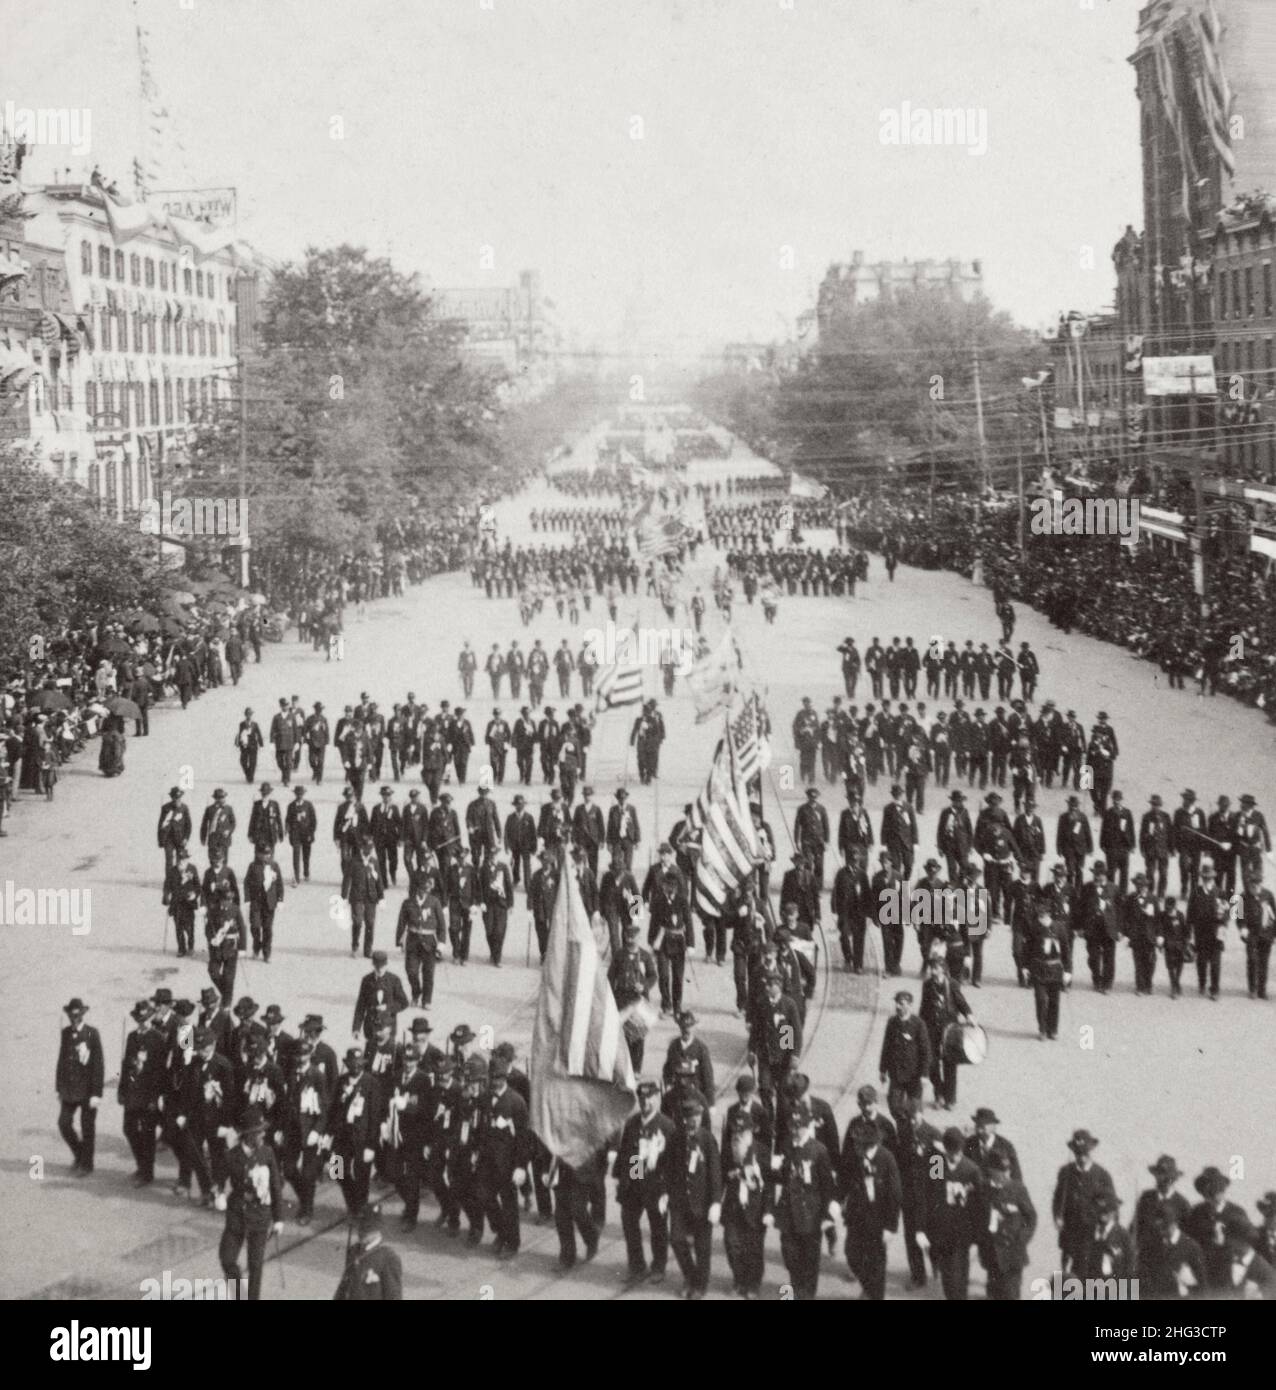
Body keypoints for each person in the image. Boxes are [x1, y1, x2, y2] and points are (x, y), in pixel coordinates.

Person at [765, 1101, 839, 1301]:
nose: (796, 1130)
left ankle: (804, 1294)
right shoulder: (786, 1145)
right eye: (792, 1126)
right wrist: (775, 1168)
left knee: (810, 1259)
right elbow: (780, 1177)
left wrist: (827, 1214)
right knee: (789, 1255)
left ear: (808, 1126)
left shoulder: (819, 1150)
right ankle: (797, 1289)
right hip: (788, 1212)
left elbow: (826, 1186)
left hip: (810, 1214)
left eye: (800, 1126)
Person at [217, 1105, 283, 1301]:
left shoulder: (267, 1153)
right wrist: (219, 1194)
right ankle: (239, 1296)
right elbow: (219, 1178)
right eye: (258, 1132)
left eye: (263, 1131)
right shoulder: (231, 1156)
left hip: (260, 1216)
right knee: (227, 1258)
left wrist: (278, 1218)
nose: (262, 1135)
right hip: (237, 1215)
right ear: (247, 1135)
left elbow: (275, 1186)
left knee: (255, 1266)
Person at [614, 1079, 676, 1287]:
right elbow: (627, 1153)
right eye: (641, 1099)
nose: (645, 1103)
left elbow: (671, 1163)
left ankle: (659, 1267)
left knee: (658, 1227)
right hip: (635, 1181)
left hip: (657, 1185)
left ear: (657, 1098)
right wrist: (624, 1179)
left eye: (649, 1099)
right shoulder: (633, 1123)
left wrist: (667, 1192)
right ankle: (637, 1266)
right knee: (629, 1223)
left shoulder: (666, 1126)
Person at [839, 1115, 902, 1300]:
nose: (855, 1146)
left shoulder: (886, 1159)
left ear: (869, 1145)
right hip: (856, 1216)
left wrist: (891, 1227)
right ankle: (868, 1287)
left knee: (876, 1262)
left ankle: (875, 1295)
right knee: (852, 1254)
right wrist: (838, 1200)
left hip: (878, 1220)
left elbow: (895, 1195)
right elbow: (844, 1179)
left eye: (858, 1144)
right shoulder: (855, 1157)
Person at [668, 1090, 722, 1299]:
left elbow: (715, 1172)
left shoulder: (707, 1140)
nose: (694, 1121)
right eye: (690, 1118)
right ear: (683, 1119)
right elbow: (668, 1167)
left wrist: (716, 1202)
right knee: (676, 1240)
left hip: (702, 1202)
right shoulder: (674, 1138)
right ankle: (689, 1276)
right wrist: (635, 1179)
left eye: (697, 1117)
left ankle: (700, 1284)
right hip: (679, 1200)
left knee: (702, 1248)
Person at [1052, 1129, 1116, 1275]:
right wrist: (1057, 1217)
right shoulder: (1065, 1173)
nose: (1081, 1157)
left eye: (1084, 1153)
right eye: (1078, 1153)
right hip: (1070, 1236)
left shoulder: (1102, 1175)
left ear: (1091, 1151)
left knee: (1092, 1275)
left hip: (1093, 1236)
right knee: (1070, 1278)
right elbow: (1057, 1199)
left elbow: (1113, 1207)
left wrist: (1108, 1232)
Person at [977, 1148, 1037, 1300]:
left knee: (1011, 1293)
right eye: (1000, 1171)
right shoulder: (984, 1189)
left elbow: (1031, 1217)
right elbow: (977, 1217)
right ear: (991, 1171)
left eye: (1007, 1171)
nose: (1005, 1175)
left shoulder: (1018, 1189)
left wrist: (1021, 1238)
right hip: (991, 1252)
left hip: (1013, 1253)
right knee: (993, 1292)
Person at [56, 997, 104, 1176]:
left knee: (87, 1128)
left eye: (77, 1015)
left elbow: (98, 1065)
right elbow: (61, 1061)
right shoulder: (66, 1033)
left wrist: (96, 1093)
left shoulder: (92, 1033)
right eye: (71, 1015)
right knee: (63, 1123)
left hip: (87, 1091)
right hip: (69, 1089)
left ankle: (87, 1164)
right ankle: (79, 1153)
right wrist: (59, 1087)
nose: (73, 1018)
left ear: (82, 1015)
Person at [335, 1204, 403, 1299]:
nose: (361, 1233)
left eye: (367, 1229)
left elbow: (393, 1295)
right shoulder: (354, 1251)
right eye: (360, 1228)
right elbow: (344, 1285)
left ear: (377, 1230)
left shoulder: (388, 1258)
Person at [285, 786, 316, 886]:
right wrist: (287, 830)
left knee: (306, 855)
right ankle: (296, 877)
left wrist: (311, 833)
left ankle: (306, 872)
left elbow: (313, 820)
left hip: (306, 833)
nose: (299, 796)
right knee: (296, 855)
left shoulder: (308, 805)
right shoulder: (291, 806)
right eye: (297, 794)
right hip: (295, 834)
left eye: (301, 794)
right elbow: (288, 819)